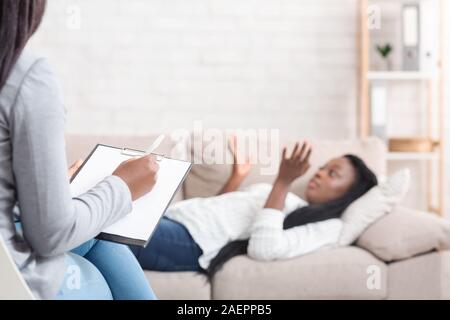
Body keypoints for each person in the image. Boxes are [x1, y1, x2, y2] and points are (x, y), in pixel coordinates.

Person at [0, 0, 158, 300]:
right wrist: (123, 187)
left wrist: (47, 187)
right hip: (10, 280)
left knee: (100, 238)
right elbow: (52, 236)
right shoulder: (23, 74)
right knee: (96, 275)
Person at [130, 136, 378, 278]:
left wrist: (283, 181)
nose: (320, 174)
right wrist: (237, 177)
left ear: (350, 194)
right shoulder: (291, 200)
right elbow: (218, 210)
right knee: (104, 221)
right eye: (323, 168)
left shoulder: (329, 227)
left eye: (332, 173)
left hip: (191, 242)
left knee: (106, 226)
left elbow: (265, 247)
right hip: (180, 222)